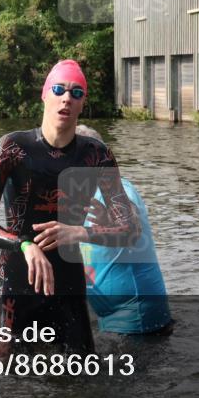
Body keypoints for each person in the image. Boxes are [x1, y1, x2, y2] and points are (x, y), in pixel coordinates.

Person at [0, 60, 139, 354]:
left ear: (83, 103)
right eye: (59, 89)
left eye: (76, 93)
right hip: (16, 281)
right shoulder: (13, 147)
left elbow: (129, 229)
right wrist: (24, 245)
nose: (66, 99)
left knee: (83, 377)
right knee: (8, 382)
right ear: (45, 94)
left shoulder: (97, 155)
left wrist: (79, 233)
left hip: (68, 284)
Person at [75, 125, 172, 336]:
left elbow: (131, 216)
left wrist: (111, 219)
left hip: (137, 318)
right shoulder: (79, 195)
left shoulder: (121, 191)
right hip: (112, 317)